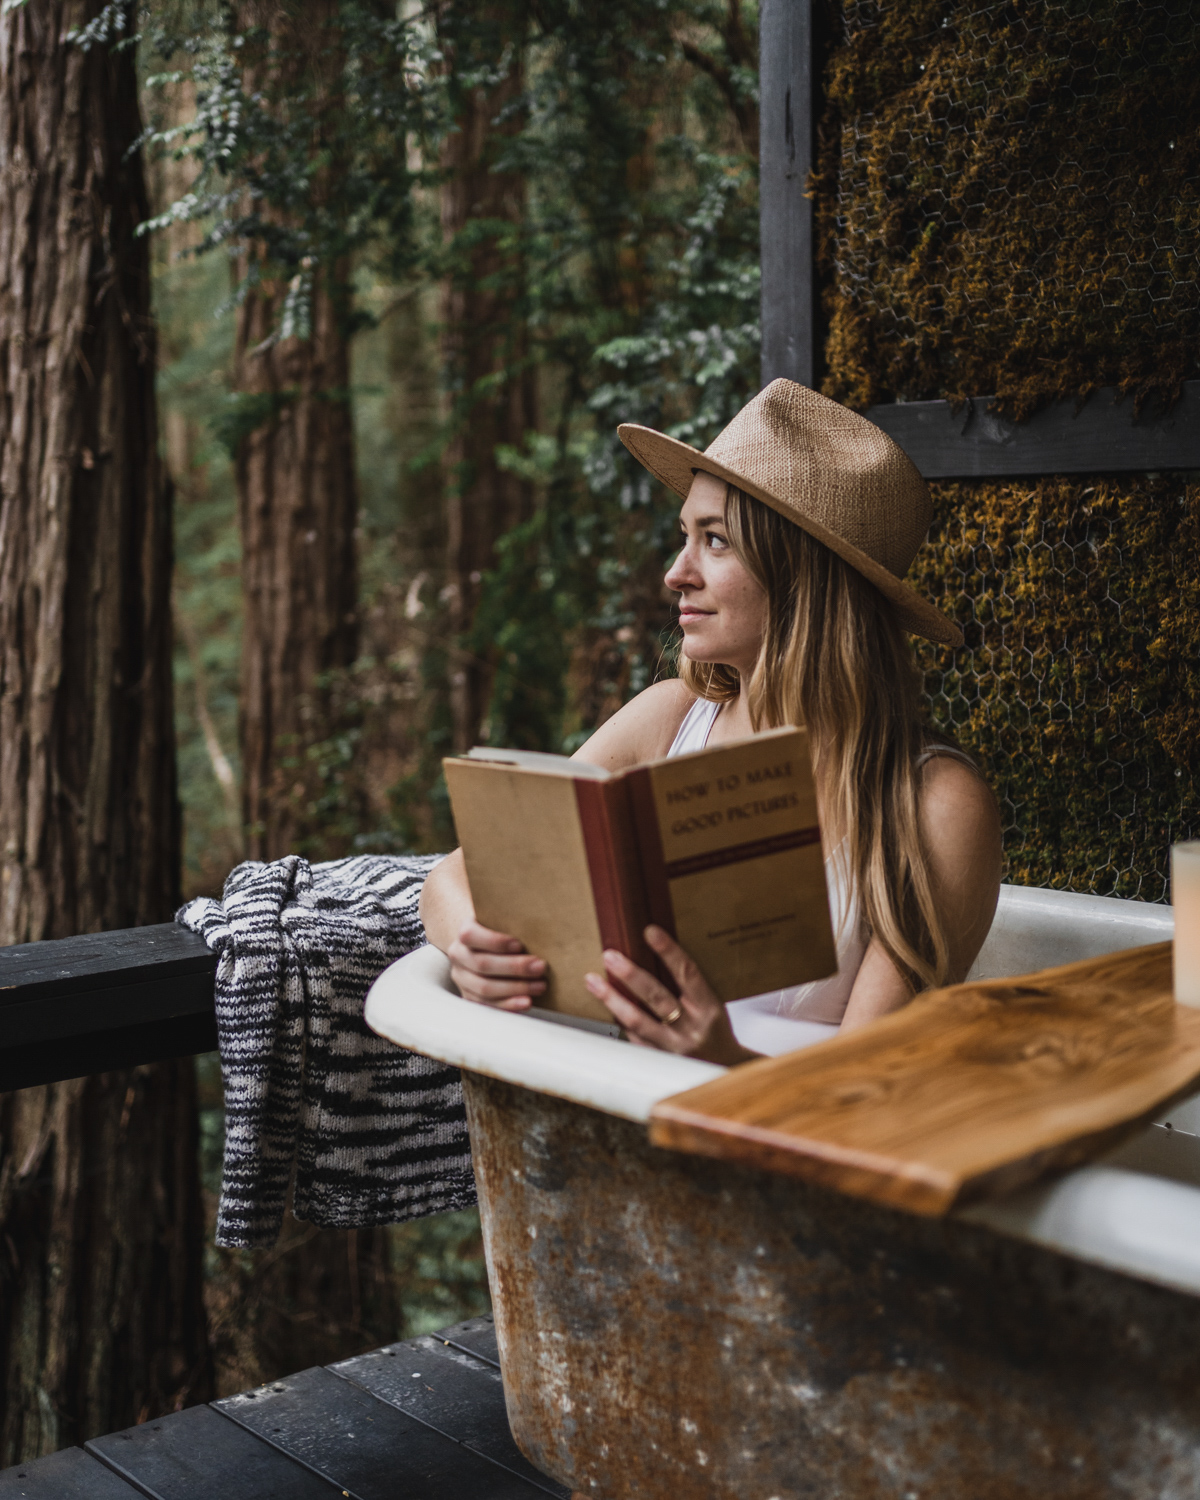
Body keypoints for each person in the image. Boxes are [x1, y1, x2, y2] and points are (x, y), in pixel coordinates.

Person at [420, 379, 1002, 1065]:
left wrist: (721, 1060)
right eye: (684, 537)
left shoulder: (934, 805)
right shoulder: (669, 719)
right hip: (588, 1108)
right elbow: (452, 878)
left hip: (758, 1153)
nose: (675, 574)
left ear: (803, 579)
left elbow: (865, 1092)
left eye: (715, 541)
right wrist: (470, 946)